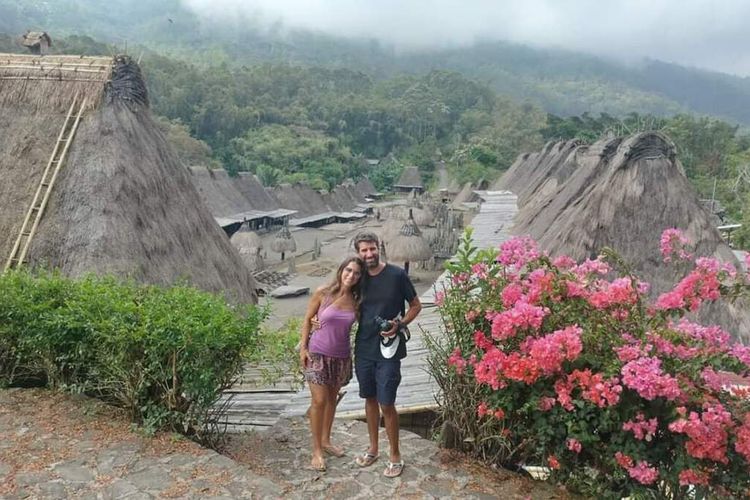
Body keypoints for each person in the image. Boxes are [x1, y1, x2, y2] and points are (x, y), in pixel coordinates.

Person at [351, 231, 422, 478]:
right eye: (363, 250)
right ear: (358, 252)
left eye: (372, 248)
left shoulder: (396, 275)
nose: (369, 253)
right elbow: (341, 302)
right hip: (363, 348)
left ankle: (395, 455)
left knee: (387, 402)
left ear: (378, 248)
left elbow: (416, 305)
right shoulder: (357, 278)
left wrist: (400, 324)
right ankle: (373, 449)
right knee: (369, 399)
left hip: (390, 349)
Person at [300, 256, 364, 472]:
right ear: (341, 270)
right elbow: (307, 319)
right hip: (317, 354)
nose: (351, 275)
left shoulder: (357, 300)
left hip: (341, 356)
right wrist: (303, 348)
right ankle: (316, 449)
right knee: (318, 401)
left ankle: (326, 441)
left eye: (356, 273)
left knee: (331, 400)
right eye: (348, 270)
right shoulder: (323, 293)